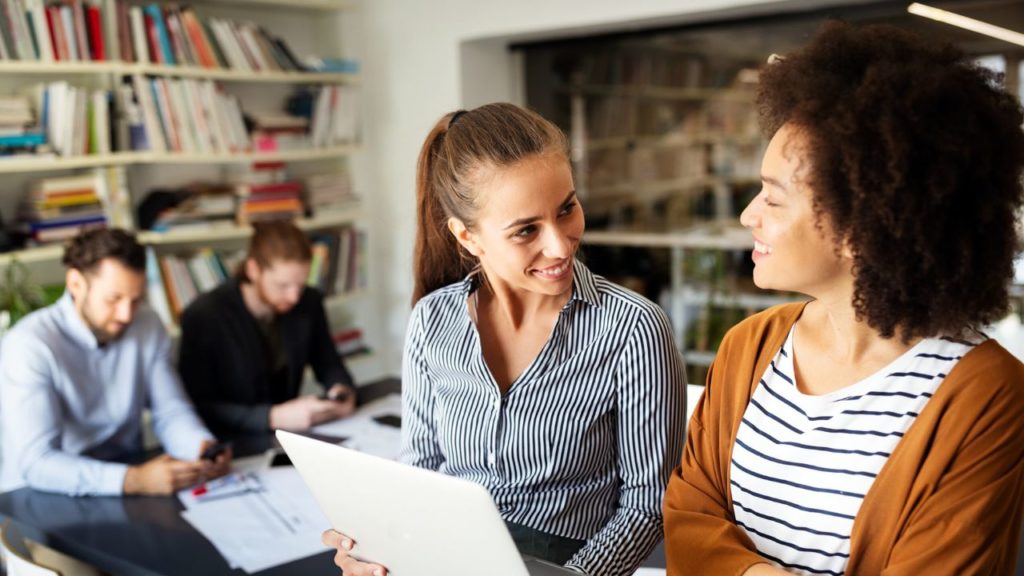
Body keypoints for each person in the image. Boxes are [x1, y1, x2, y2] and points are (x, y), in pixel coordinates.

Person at [664, 21, 1024, 576]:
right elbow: (689, 515)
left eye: (774, 199)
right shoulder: (748, 347)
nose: (748, 216)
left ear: (863, 227)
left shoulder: (987, 397)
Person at [323, 103, 687, 575]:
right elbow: (420, 472)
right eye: (525, 230)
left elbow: (647, 503)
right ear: (468, 237)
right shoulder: (433, 320)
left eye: (567, 209)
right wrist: (378, 546)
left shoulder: (633, 329)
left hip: (566, 563)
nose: (559, 245)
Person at [0, 228, 231, 497]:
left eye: (135, 300)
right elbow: (38, 462)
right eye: (113, 299)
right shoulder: (28, 345)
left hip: (121, 478)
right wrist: (133, 480)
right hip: (38, 494)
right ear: (76, 284)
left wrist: (200, 448)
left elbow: (170, 411)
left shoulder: (148, 323)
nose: (126, 314)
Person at [178, 220, 357, 435]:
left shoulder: (308, 302)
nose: (293, 296)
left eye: (300, 284)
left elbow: (328, 363)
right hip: (231, 440)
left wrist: (341, 390)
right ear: (253, 270)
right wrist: (272, 417)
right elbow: (197, 405)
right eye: (282, 285)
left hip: (288, 436)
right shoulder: (204, 316)